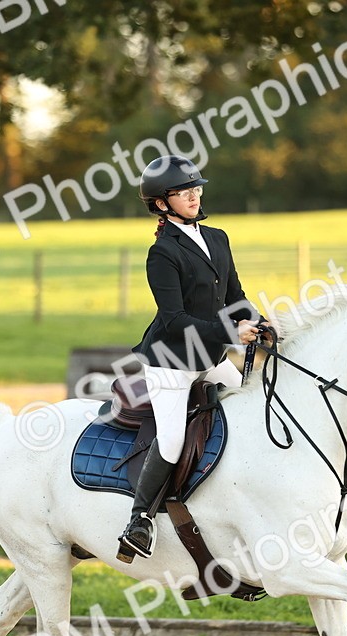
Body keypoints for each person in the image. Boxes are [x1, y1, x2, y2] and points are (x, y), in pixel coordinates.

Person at [118, 154, 265, 561]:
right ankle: (139, 520)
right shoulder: (162, 253)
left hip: (210, 355)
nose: (194, 196)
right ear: (162, 203)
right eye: (184, 192)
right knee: (171, 440)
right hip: (170, 361)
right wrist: (230, 333)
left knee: (252, 406)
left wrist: (263, 323)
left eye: (196, 188)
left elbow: (235, 297)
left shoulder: (217, 237)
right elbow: (174, 318)